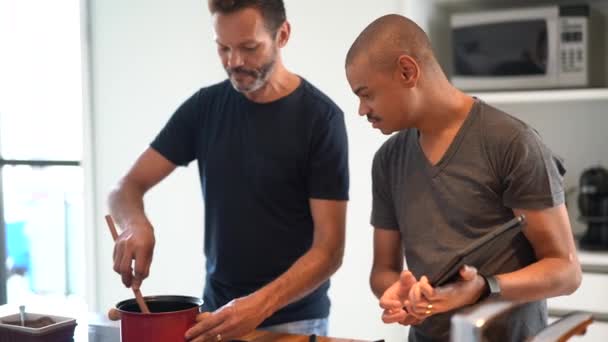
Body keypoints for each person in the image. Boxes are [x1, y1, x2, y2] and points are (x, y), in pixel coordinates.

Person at [108, 1, 349, 341]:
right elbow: (125, 187)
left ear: (282, 35)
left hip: (295, 323)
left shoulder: (320, 120)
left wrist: (260, 305)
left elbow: (329, 249)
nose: (234, 61)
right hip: (216, 316)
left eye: (249, 48)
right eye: (223, 48)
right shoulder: (205, 108)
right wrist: (134, 224)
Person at [345, 14, 581, 342]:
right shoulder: (388, 160)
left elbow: (566, 271)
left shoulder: (512, 143)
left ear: (407, 71)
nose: (361, 109)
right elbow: (383, 271)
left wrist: (484, 287)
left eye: (366, 94)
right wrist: (398, 292)